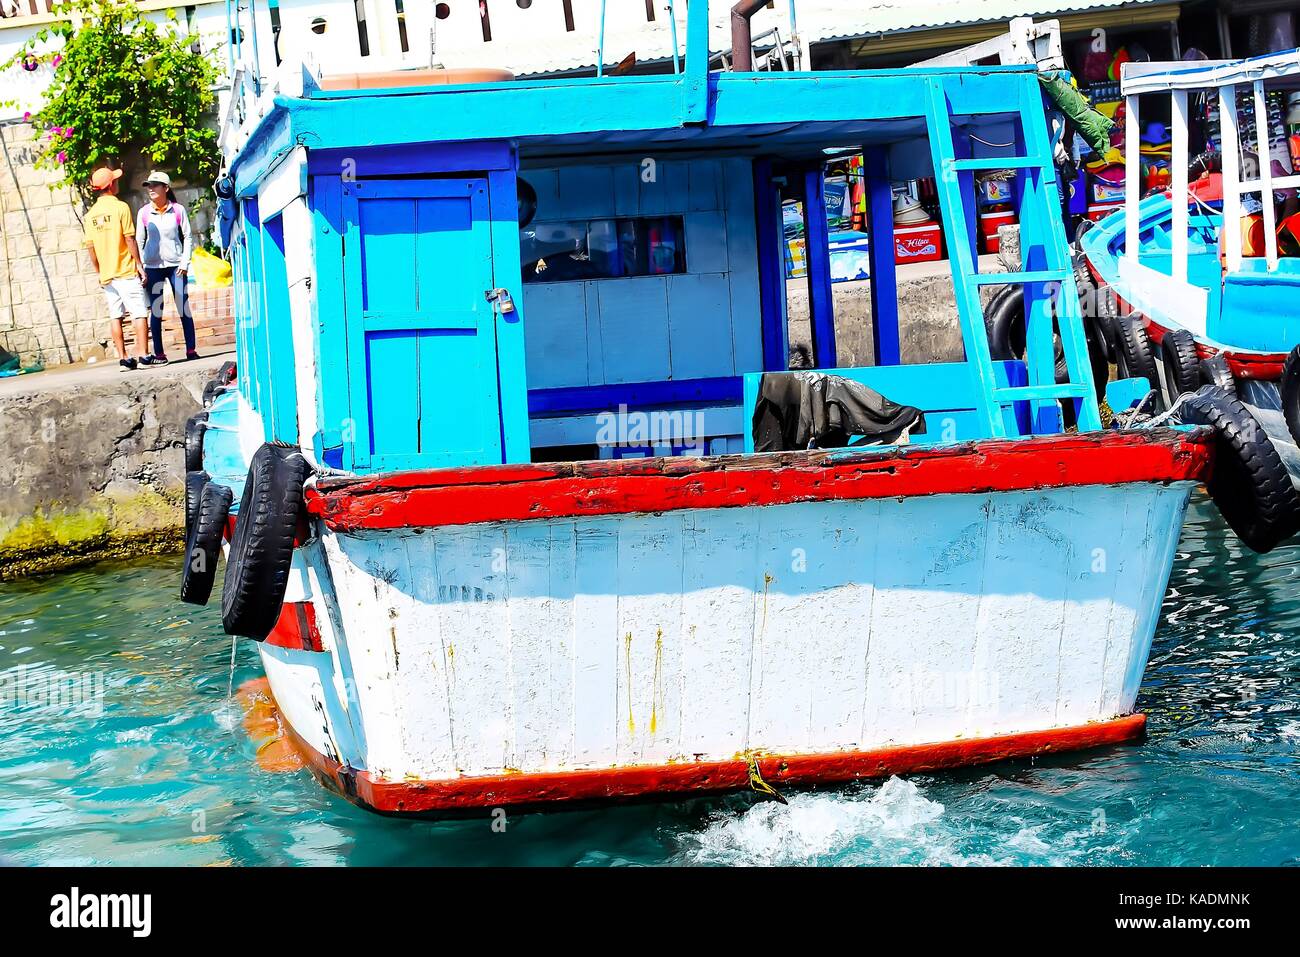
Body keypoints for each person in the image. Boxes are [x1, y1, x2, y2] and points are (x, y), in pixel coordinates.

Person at [83, 167, 160, 371]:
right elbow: (129, 238)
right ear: (111, 186)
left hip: (107, 274)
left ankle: (124, 359)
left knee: (115, 315)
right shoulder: (121, 208)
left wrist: (99, 271)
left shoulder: (90, 215)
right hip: (125, 270)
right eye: (115, 180)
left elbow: (90, 248)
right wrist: (139, 265)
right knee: (139, 312)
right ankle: (143, 356)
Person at [137, 170, 198, 362]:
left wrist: (184, 261)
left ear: (166, 188)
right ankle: (160, 354)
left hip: (176, 266)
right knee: (156, 310)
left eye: (155, 185)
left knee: (183, 306)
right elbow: (139, 241)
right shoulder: (144, 213)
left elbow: (188, 236)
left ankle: (191, 350)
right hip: (153, 267)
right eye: (149, 185)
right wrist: (140, 266)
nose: (151, 189)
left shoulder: (178, 210)